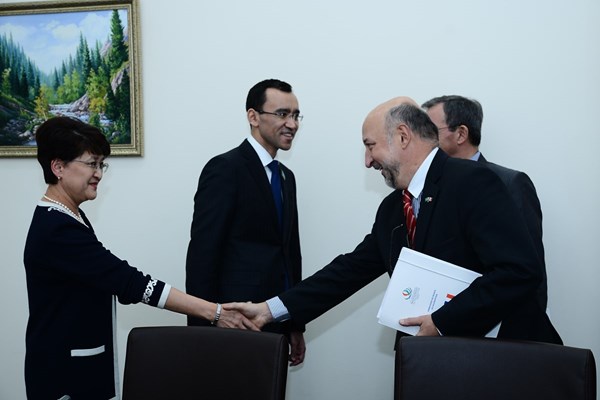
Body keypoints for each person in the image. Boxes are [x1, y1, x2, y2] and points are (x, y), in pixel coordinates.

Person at [227, 96, 562, 345]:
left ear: (402, 136)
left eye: (370, 146)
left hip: (502, 364)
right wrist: (271, 309)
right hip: (441, 361)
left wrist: (442, 322)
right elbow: (347, 272)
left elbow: (519, 271)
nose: (367, 161)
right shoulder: (393, 208)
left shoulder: (473, 181)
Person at [24, 117, 258, 400]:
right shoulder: (57, 229)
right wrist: (215, 312)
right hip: (64, 377)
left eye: (101, 165)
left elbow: (114, 280)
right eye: (91, 164)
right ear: (58, 167)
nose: (98, 174)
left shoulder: (69, 215)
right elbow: (129, 282)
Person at [185, 79, 306, 366]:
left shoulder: (286, 177)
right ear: (253, 116)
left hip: (277, 320)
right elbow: (202, 255)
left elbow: (290, 255)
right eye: (282, 114)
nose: (292, 124)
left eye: (296, 115)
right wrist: (203, 329)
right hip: (233, 323)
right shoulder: (225, 169)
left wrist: (295, 323)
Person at [421, 95, 548, 311]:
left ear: (461, 134)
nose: (424, 140)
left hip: (498, 322)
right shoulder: (427, 189)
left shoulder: (509, 183)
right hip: (438, 320)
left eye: (431, 131)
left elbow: (530, 270)